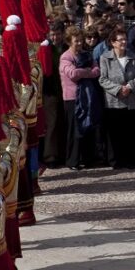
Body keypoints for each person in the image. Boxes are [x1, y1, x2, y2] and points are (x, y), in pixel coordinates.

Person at [98, 30, 135, 169]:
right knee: (115, 134)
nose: (124, 42)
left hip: (131, 100)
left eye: (125, 39)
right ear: (113, 43)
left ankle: (130, 160)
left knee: (129, 132)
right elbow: (102, 79)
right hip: (114, 101)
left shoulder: (133, 57)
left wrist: (129, 87)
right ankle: (115, 161)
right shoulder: (105, 58)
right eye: (120, 40)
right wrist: (118, 89)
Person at [60, 27, 101, 170]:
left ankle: (88, 158)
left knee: (88, 127)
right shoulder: (66, 57)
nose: (79, 43)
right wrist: (87, 71)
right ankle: (73, 160)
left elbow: (97, 71)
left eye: (80, 41)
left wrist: (84, 72)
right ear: (69, 42)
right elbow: (72, 74)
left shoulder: (86, 54)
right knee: (74, 129)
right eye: (76, 41)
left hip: (87, 97)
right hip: (72, 98)